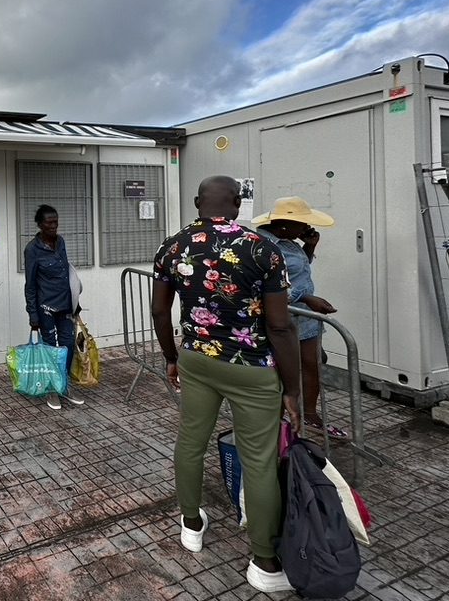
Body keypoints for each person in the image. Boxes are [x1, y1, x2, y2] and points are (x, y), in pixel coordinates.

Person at [151, 175, 302, 595]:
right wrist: (292, 388)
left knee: (191, 443)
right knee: (259, 461)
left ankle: (192, 525)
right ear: (236, 203)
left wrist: (171, 358)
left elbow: (161, 314)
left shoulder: (173, 246)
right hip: (252, 368)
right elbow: (280, 325)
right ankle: (264, 561)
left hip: (197, 361)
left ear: (198, 202)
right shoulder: (264, 250)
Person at [253, 196, 345, 440]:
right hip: (282, 317)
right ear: (283, 224)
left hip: (303, 319)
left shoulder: (290, 241)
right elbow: (269, 286)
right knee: (282, 371)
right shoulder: (263, 246)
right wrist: (306, 299)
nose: (305, 228)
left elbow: (295, 271)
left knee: (312, 365)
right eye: (301, 224)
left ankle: (310, 415)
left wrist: (310, 247)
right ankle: (278, 422)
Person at [23, 204, 85, 410]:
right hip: (46, 308)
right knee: (51, 349)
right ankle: (52, 388)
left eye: (55, 222)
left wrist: (76, 303)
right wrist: (33, 315)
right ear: (40, 224)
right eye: (49, 222)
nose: (53, 226)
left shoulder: (61, 242)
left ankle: (64, 385)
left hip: (66, 306)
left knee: (67, 346)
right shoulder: (32, 249)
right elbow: (30, 285)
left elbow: (68, 275)